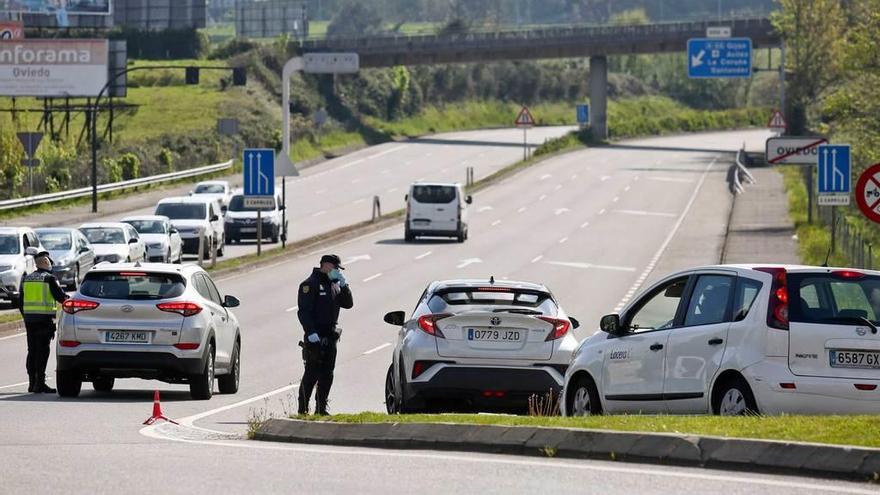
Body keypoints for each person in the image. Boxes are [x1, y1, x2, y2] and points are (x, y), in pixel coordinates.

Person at [296, 254, 353, 415]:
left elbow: (348, 304)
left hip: (330, 334)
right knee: (312, 374)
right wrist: (311, 332)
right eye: (335, 268)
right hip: (315, 336)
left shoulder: (334, 284)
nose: (336, 272)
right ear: (326, 265)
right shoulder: (309, 284)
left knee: (327, 374)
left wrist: (344, 285)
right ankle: (303, 408)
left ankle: (321, 408)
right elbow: (304, 312)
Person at [18, 249, 69, 393]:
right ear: (46, 262)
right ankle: (40, 383)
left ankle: (32, 383)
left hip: (29, 320)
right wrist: (72, 301)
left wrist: (27, 316)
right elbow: (60, 297)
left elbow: (20, 302)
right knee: (42, 352)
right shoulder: (49, 278)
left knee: (32, 351)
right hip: (44, 321)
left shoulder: (26, 278)